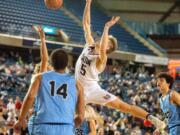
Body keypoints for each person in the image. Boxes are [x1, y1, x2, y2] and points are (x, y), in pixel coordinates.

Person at [75, 0, 166, 131]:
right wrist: (88, 3)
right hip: (78, 90)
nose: (102, 41)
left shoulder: (102, 59)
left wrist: (106, 28)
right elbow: (86, 24)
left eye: (107, 43)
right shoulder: (89, 44)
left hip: (92, 90)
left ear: (107, 49)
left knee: (123, 106)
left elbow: (101, 51)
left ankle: (153, 119)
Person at [14, 49, 85, 135]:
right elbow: (81, 117)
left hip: (43, 126)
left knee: (32, 122)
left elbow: (30, 97)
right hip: (66, 128)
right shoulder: (78, 84)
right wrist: (69, 127)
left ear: (51, 63)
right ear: (67, 64)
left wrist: (21, 120)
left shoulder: (39, 78)